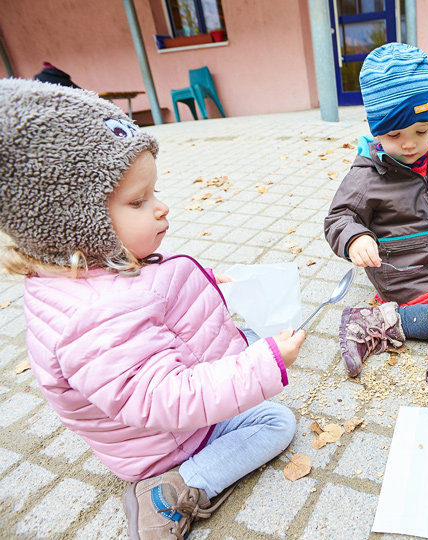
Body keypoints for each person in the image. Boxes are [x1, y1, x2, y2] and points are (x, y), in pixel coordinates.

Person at [0, 79, 306, 540]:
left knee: (251, 346)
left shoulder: (87, 266)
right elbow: (163, 399)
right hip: (163, 439)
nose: (161, 208)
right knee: (275, 421)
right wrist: (264, 366)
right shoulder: (93, 317)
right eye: (139, 201)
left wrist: (205, 285)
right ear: (77, 224)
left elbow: (152, 298)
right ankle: (171, 490)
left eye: (154, 192)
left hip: (160, 414)